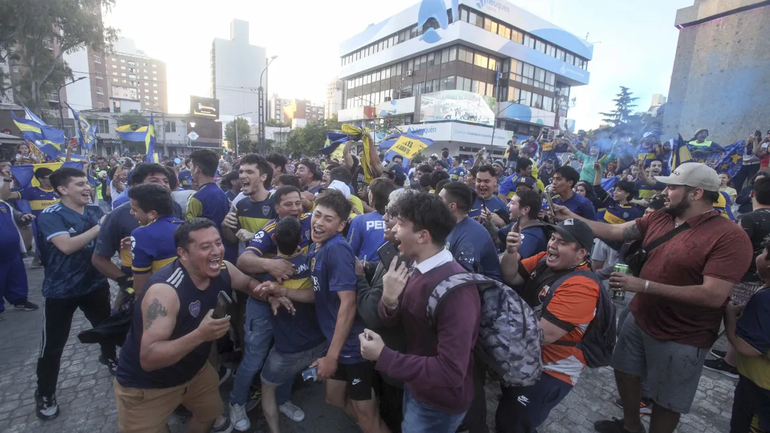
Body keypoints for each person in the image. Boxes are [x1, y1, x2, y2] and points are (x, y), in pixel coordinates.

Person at [554, 162, 753, 433]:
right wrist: (572, 219)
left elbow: (713, 295)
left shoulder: (730, 237)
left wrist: (643, 285)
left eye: (672, 187)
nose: (664, 191)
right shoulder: (661, 217)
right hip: (640, 318)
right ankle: (631, 427)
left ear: (695, 194)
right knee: (625, 372)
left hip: (683, 335)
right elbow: (616, 231)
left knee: (667, 399)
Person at [113, 218, 285, 433]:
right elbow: (149, 358)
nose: (216, 251)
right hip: (147, 387)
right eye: (205, 246)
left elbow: (248, 283)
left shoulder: (223, 269)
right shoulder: (165, 292)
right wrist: (201, 335)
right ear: (183, 253)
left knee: (210, 415)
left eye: (218, 242)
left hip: (196, 372)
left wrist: (269, 296)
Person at [260, 190, 389, 433]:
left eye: (328, 219)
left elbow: (348, 303)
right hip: (338, 344)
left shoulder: (337, 250)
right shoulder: (317, 248)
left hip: (353, 347)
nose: (318, 222)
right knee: (334, 399)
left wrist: (332, 356)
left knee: (367, 414)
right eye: (317, 215)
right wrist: (282, 291)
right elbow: (317, 294)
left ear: (341, 225)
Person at [360, 192, 480, 433]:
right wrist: (389, 300)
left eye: (402, 224)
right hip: (415, 386)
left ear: (423, 236)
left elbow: (450, 372)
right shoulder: (415, 266)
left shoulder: (457, 292)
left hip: (437, 404)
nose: (394, 231)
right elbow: (398, 320)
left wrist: (384, 356)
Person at [498, 219, 600, 432]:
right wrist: (510, 252)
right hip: (527, 359)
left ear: (581, 253)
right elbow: (511, 275)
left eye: (562, 242)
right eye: (552, 238)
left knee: (514, 424)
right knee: (507, 413)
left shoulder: (582, 286)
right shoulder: (545, 260)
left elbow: (542, 335)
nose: (552, 244)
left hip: (551, 370)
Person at [35, 168, 117, 421]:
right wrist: (100, 227)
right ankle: (45, 392)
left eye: (87, 183)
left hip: (94, 285)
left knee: (106, 328)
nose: (87, 188)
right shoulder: (50, 215)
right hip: (61, 291)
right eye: (80, 184)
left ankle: (110, 358)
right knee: (53, 346)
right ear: (62, 189)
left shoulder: (94, 211)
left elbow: (106, 244)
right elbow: (67, 246)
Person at [231, 186, 311, 423]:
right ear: (276, 208)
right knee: (254, 359)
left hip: (294, 304)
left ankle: (283, 400)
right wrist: (270, 266)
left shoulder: (310, 222)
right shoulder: (269, 231)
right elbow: (243, 261)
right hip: (264, 303)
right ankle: (237, 402)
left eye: (298, 202)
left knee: (288, 355)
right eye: (288, 204)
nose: (295, 208)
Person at [255, 217, 326, 433]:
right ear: (302, 238)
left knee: (267, 388)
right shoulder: (314, 261)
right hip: (319, 343)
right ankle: (285, 401)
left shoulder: (267, 272)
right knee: (291, 374)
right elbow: (319, 295)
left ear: (274, 238)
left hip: (287, 350)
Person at [355, 188, 415, 433]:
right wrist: (369, 268)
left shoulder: (403, 260)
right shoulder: (393, 251)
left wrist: (359, 277)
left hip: (395, 364)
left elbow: (371, 312)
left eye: (393, 215)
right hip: (387, 358)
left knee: (393, 416)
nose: (384, 219)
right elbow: (380, 276)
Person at [92, 164, 184, 308]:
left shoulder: (174, 207)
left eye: (165, 181)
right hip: (136, 291)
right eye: (154, 181)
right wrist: (126, 281)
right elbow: (99, 259)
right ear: (136, 186)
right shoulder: (118, 216)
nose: (163, 185)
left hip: (173, 287)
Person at [705, 175, 770, 377]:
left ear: (752, 194)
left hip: (745, 277)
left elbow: (733, 248)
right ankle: (731, 357)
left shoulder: (750, 218)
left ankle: (730, 363)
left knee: (738, 317)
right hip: (764, 279)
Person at [724, 237, 770, 432]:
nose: (759, 256)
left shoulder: (764, 299)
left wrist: (728, 315)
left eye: (764, 252)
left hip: (759, 386)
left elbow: (747, 348)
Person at [127, 184, 183, 295]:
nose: (131, 213)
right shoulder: (184, 225)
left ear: (152, 214)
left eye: (134, 210)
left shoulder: (141, 234)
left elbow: (140, 288)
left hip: (162, 296)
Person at [440, 181, 502, 280]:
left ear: (452, 207)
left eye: (440, 200)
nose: (436, 203)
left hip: (483, 290)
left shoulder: (473, 234)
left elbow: (463, 278)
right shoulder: (449, 226)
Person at [2, 166, 59, 268]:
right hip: (43, 234)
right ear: (41, 179)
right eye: (50, 177)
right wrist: (7, 179)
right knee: (49, 265)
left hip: (61, 230)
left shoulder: (60, 190)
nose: (53, 179)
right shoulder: (32, 191)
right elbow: (7, 195)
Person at [223, 154, 276, 248]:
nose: (243, 176)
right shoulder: (240, 204)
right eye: (241, 172)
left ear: (263, 177)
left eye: (249, 172)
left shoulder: (276, 202)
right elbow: (234, 239)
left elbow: (283, 240)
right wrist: (225, 227)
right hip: (246, 261)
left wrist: (254, 236)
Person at [0, 198, 36, 316]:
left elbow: (15, 214)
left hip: (12, 250)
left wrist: (23, 217)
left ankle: (19, 300)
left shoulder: (3, 204)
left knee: (16, 275)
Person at [348, 178, 398, 262]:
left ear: (372, 197)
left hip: (365, 271)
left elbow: (350, 253)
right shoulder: (400, 223)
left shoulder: (359, 220)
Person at [496, 189, 548, 259]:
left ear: (525, 210)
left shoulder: (532, 236)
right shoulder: (516, 224)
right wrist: (488, 221)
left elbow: (511, 259)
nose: (508, 205)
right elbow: (497, 239)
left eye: (512, 203)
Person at [186, 149, 230, 225]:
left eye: (191, 166)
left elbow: (188, 229)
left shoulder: (196, 198)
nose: (190, 170)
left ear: (197, 169)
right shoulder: (223, 194)